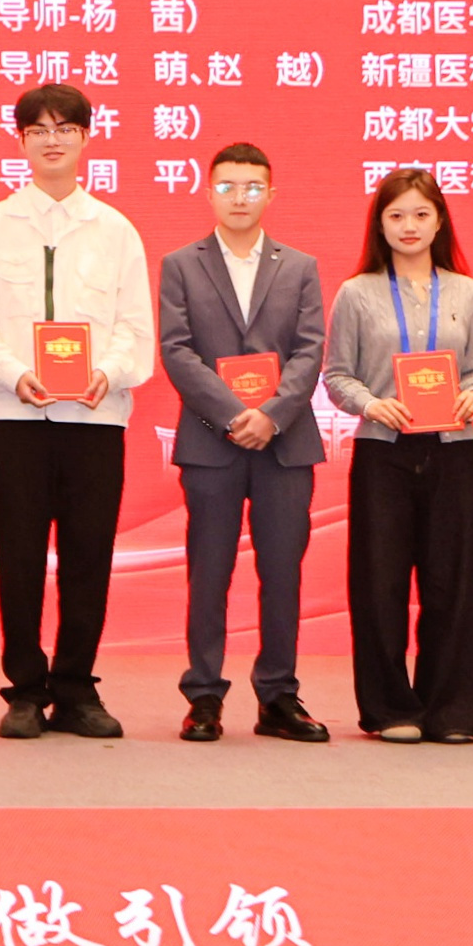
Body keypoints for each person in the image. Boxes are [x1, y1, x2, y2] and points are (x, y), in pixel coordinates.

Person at [0, 85, 153, 740]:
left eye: (65, 128)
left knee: (89, 555)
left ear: (87, 137)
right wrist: (14, 372)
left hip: (96, 418)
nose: (52, 140)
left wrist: (107, 371)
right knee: (20, 556)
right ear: (21, 141)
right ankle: (26, 690)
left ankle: (77, 688)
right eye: (39, 130)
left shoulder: (115, 230)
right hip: (15, 416)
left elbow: (135, 326)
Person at [155, 143, 330, 744]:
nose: (240, 197)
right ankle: (203, 694)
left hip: (285, 445)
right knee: (209, 573)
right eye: (228, 186)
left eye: (253, 187)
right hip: (212, 443)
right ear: (208, 193)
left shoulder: (299, 266)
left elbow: (310, 350)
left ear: (271, 194)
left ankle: (278, 696)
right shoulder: (181, 264)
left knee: (283, 574)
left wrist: (272, 415)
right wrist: (235, 416)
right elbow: (177, 350)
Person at [323, 167, 473, 743]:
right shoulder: (357, 292)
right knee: (380, 584)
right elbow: (337, 375)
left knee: (455, 583)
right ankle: (390, 708)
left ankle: (454, 710)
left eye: (421, 214)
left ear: (440, 221)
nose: (409, 226)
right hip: (384, 452)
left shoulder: (470, 293)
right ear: (380, 224)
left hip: (453, 451)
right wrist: (371, 404)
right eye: (396, 215)